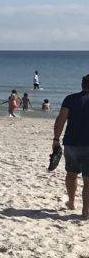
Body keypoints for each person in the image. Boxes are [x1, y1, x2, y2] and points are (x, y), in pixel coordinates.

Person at [52, 74, 89, 217]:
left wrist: (56, 139)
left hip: (71, 143)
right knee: (88, 179)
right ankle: (86, 210)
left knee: (71, 173)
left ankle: (72, 202)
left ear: (82, 84)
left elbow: (61, 119)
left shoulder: (70, 99)